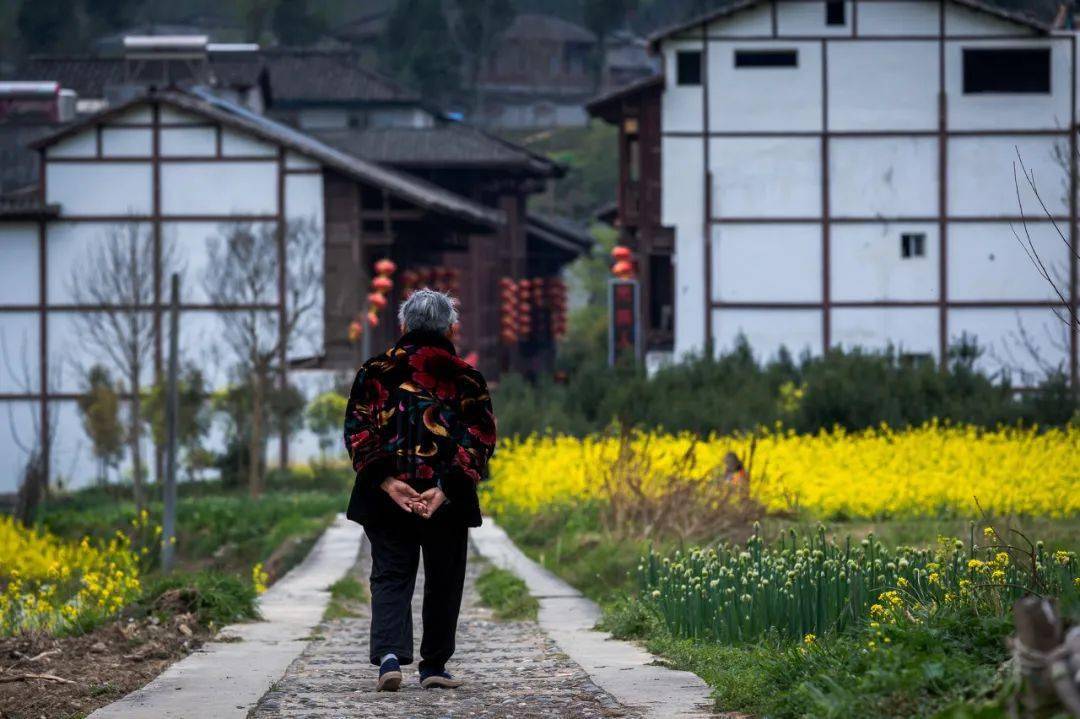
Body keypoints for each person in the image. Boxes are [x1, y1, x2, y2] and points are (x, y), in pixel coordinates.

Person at [342, 288, 496, 692]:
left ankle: (389, 658)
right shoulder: (467, 378)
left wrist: (390, 483)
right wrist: (445, 490)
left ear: (404, 325)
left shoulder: (373, 372)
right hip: (445, 499)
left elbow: (358, 431)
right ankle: (433, 668)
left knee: (390, 573)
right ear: (450, 328)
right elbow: (479, 438)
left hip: (385, 495)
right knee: (444, 578)